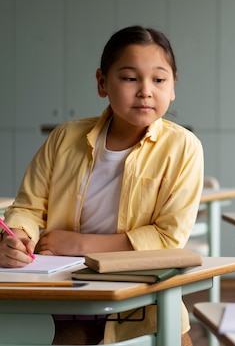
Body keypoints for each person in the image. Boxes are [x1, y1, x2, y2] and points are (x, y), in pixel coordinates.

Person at [0, 26, 204, 345]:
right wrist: (19, 239)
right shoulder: (64, 138)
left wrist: (77, 244)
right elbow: (27, 207)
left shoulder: (183, 147)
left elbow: (168, 237)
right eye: (130, 78)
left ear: (173, 86)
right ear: (102, 82)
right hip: (61, 294)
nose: (146, 90)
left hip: (142, 301)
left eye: (159, 79)